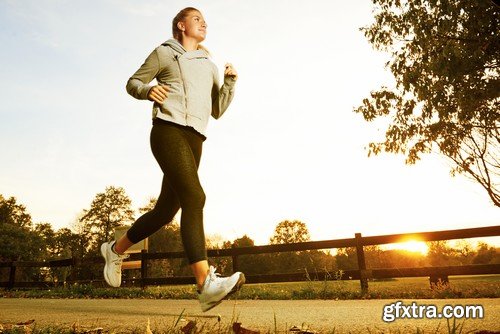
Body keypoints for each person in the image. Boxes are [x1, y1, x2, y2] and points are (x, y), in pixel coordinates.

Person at [100, 7, 245, 312]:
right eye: (196, 18)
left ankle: (115, 249)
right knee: (195, 197)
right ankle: (205, 284)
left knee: (166, 211)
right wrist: (148, 90)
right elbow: (133, 82)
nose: (203, 22)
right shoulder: (164, 53)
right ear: (181, 25)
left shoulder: (210, 66)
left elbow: (216, 110)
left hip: (196, 139)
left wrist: (230, 82)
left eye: (205, 20)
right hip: (168, 131)